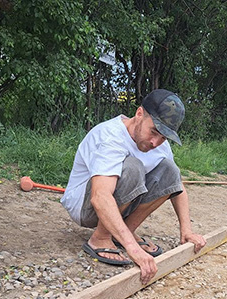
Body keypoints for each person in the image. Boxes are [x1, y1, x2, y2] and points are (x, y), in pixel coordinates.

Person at [61, 89, 206, 284]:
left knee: (170, 169)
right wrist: (134, 249)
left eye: (164, 137)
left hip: (116, 204)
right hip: (85, 207)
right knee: (133, 167)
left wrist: (186, 230)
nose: (156, 142)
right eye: (153, 131)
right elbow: (100, 196)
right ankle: (101, 238)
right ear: (139, 114)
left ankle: (123, 234)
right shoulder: (110, 136)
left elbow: (176, 185)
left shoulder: (159, 143)